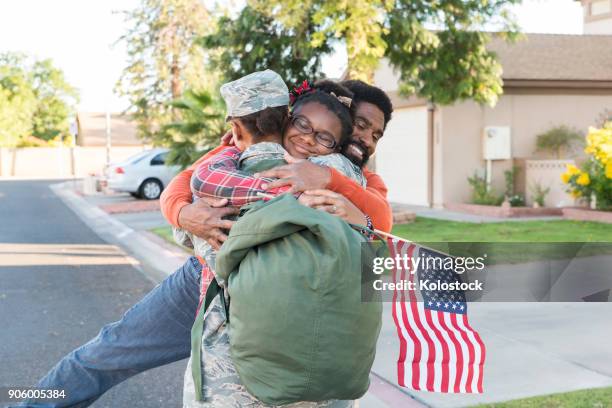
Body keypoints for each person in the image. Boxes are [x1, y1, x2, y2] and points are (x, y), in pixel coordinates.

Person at [26, 79, 393, 408]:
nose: (365, 138)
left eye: (375, 134)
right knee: (110, 351)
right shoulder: (244, 150)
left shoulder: (362, 180)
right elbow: (182, 185)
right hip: (210, 282)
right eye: (360, 125)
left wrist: (329, 178)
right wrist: (184, 215)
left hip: (315, 298)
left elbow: (382, 227)